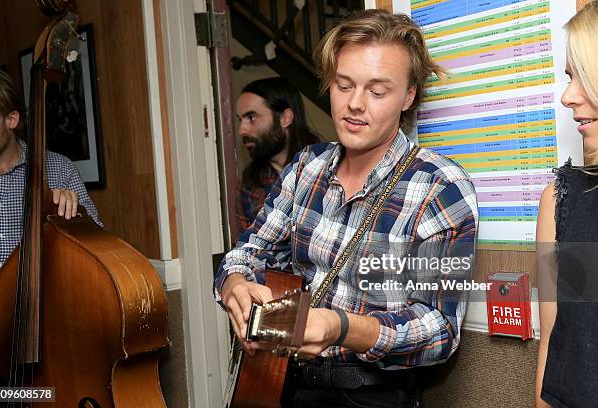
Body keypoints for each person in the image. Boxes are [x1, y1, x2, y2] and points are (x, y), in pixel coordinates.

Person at [215, 10, 478, 407]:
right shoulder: (305, 167)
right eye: (344, 85)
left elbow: (439, 330)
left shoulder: (440, 188)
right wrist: (234, 283)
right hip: (279, 380)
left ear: (408, 96)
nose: (355, 104)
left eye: (377, 91)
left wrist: (341, 328)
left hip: (370, 394)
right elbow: (247, 252)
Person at [0, 66, 101, 384]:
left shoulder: (57, 169)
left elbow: (97, 254)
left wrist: (72, 215)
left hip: (41, 348)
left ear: (11, 120)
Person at [536, 2, 598, 407]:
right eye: (568, 77)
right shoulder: (560, 201)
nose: (567, 96)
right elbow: (555, 346)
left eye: (583, 75)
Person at [235, 77, 320, 232]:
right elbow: (249, 248)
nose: (242, 130)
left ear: (285, 118)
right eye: (240, 120)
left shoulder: (329, 167)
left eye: (251, 117)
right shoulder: (251, 183)